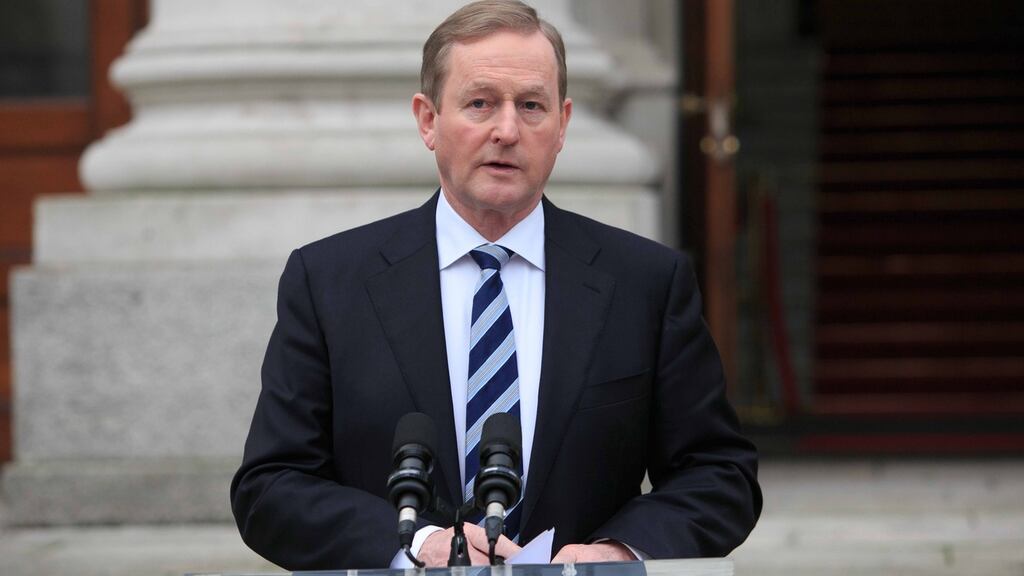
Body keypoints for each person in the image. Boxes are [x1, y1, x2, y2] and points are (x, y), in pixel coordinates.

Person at [230, 0, 761, 570]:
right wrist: (416, 543)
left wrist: (615, 553)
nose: (506, 130)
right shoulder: (330, 281)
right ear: (428, 120)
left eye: (531, 106)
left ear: (562, 125)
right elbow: (271, 486)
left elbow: (719, 474)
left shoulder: (645, 282)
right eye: (480, 103)